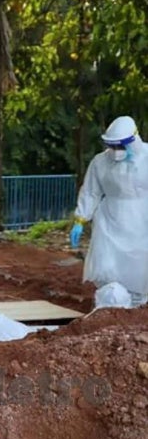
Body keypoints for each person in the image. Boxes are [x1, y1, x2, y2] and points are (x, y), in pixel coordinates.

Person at [70, 116, 148, 307]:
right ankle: (109, 304)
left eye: (120, 146)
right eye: (112, 147)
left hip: (142, 220)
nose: (116, 152)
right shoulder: (100, 162)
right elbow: (91, 191)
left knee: (140, 268)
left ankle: (139, 305)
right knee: (108, 264)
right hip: (110, 221)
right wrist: (80, 219)